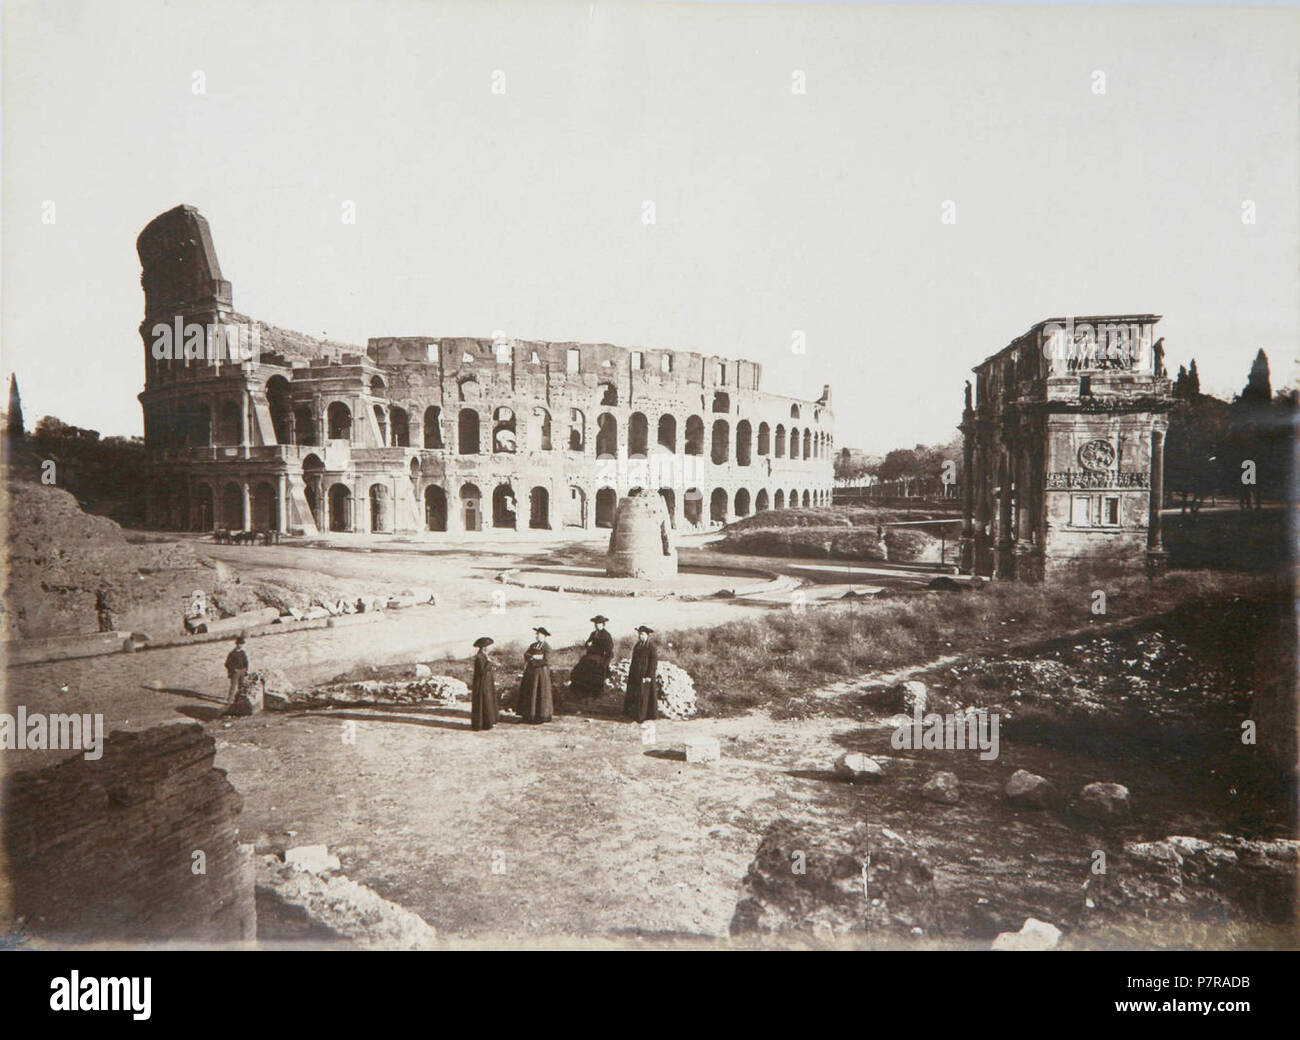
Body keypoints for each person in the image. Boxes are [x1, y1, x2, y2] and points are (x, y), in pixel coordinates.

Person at [568, 615, 614, 701]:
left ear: (603, 624)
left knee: (594, 672)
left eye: (599, 623)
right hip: (590, 656)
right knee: (579, 669)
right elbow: (587, 643)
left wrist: (604, 662)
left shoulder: (606, 635)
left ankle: (594, 695)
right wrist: (588, 645)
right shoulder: (593, 633)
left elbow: (608, 650)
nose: (597, 625)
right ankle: (581, 693)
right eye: (596, 623)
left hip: (599, 657)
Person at [516, 627, 554, 723]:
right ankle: (528, 715)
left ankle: (540, 716)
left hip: (541, 675)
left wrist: (535, 660)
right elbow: (526, 655)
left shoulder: (546, 647)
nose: (537, 636)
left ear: (544, 636)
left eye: (539, 634)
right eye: (537, 634)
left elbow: (546, 661)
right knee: (530, 693)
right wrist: (534, 657)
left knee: (539, 693)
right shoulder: (533, 645)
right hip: (530, 673)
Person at [624, 625, 659, 723]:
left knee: (645, 695)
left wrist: (649, 675)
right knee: (636, 695)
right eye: (639, 634)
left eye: (642, 634)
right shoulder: (637, 645)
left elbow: (653, 663)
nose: (640, 636)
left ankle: (643, 716)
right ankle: (635, 714)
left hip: (645, 675)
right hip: (636, 674)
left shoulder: (651, 647)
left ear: (647, 635)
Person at [470, 636, 498, 731]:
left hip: (486, 682)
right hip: (482, 683)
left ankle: (487, 722)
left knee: (487, 701)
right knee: (483, 701)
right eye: (488, 646)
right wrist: (490, 663)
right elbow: (482, 671)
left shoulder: (484, 655)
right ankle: (482, 724)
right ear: (484, 647)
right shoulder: (479, 657)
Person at [222, 634, 249, 715]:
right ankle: (229, 702)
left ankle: (239, 701)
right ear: (236, 644)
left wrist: (246, 669)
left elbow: (246, 662)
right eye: (239, 644)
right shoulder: (232, 653)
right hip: (235, 672)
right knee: (233, 687)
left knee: (242, 687)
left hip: (242, 671)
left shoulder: (243, 652)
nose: (241, 645)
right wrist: (233, 669)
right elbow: (227, 663)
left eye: (242, 644)